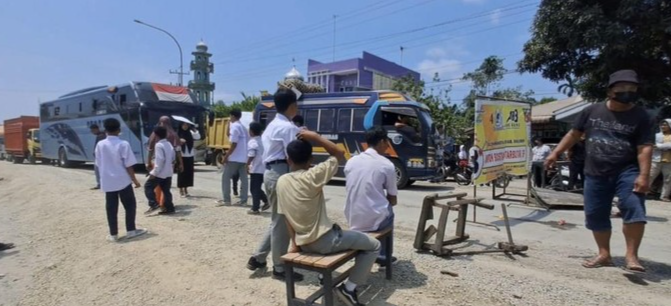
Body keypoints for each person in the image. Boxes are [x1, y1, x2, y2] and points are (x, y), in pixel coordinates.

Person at [545, 70, 653, 272]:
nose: (627, 92)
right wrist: (555, 153)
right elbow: (574, 133)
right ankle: (604, 254)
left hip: (627, 171)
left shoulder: (641, 116)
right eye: (622, 88)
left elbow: (645, 147)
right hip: (595, 171)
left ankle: (631, 256)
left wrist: (644, 175)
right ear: (610, 90)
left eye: (632, 88)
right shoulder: (592, 111)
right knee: (595, 214)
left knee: (633, 207)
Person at [279, 132, 380, 306]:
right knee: (374, 245)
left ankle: (323, 277)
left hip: (304, 242)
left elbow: (286, 216)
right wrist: (315, 137)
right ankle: (348, 290)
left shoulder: (282, 181)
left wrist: (295, 244)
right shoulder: (313, 175)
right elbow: (339, 154)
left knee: (344, 234)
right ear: (310, 159)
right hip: (326, 241)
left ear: (289, 160)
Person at [246, 88, 303, 282]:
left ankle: (258, 258)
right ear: (292, 105)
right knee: (282, 223)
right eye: (296, 104)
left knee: (276, 221)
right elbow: (292, 157)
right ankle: (279, 268)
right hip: (281, 173)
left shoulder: (273, 124)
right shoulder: (288, 128)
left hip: (270, 172)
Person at [344, 126, 397, 267]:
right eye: (387, 141)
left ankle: (374, 250)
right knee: (389, 212)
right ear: (381, 141)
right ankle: (384, 256)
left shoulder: (351, 161)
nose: (388, 145)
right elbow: (393, 198)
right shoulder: (387, 164)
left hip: (352, 217)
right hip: (374, 219)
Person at [95, 118, 147, 242]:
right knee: (129, 205)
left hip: (108, 181)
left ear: (105, 130)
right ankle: (131, 230)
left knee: (111, 207)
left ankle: (113, 234)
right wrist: (135, 180)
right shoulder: (123, 144)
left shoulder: (100, 145)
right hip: (123, 180)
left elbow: (98, 163)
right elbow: (129, 165)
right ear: (119, 130)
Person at [217, 109, 249, 206]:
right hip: (244, 158)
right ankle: (244, 200)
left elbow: (233, 144)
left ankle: (226, 200)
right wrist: (228, 124)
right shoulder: (243, 127)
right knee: (244, 179)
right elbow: (229, 135)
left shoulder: (235, 127)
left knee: (226, 178)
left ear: (232, 116)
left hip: (235, 158)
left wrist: (226, 156)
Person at [145, 126, 176, 215]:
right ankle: (170, 208)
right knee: (166, 190)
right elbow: (173, 158)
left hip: (160, 173)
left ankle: (154, 204)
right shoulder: (169, 144)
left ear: (156, 135)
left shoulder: (158, 145)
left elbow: (160, 160)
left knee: (148, 186)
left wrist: (154, 173)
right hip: (168, 171)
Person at [247, 121, 269, 215]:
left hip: (256, 168)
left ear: (251, 131)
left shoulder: (252, 141)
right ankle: (266, 201)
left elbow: (252, 154)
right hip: (264, 167)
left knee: (254, 189)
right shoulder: (263, 140)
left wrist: (247, 164)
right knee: (257, 187)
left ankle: (255, 208)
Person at [177, 121, 201, 197]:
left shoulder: (190, 132)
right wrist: (179, 141)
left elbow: (198, 137)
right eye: (183, 124)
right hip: (181, 155)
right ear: (181, 125)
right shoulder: (178, 134)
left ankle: (186, 189)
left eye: (187, 125)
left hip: (190, 155)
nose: (185, 126)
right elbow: (175, 144)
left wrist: (195, 130)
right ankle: (181, 190)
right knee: (181, 173)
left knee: (188, 173)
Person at [650, 119, 671, 201]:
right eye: (662, 125)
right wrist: (665, 146)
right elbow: (653, 145)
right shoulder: (657, 135)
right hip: (656, 159)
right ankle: (643, 192)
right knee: (650, 176)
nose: (663, 126)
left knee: (668, 179)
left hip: (669, 161)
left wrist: (660, 146)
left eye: (665, 125)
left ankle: (664, 196)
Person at [90, 124, 106, 190]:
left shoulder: (100, 136)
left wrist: (95, 153)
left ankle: (100, 184)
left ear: (95, 129)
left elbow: (98, 146)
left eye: (92, 131)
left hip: (100, 157)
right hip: (102, 156)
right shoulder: (102, 135)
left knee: (97, 170)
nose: (92, 132)